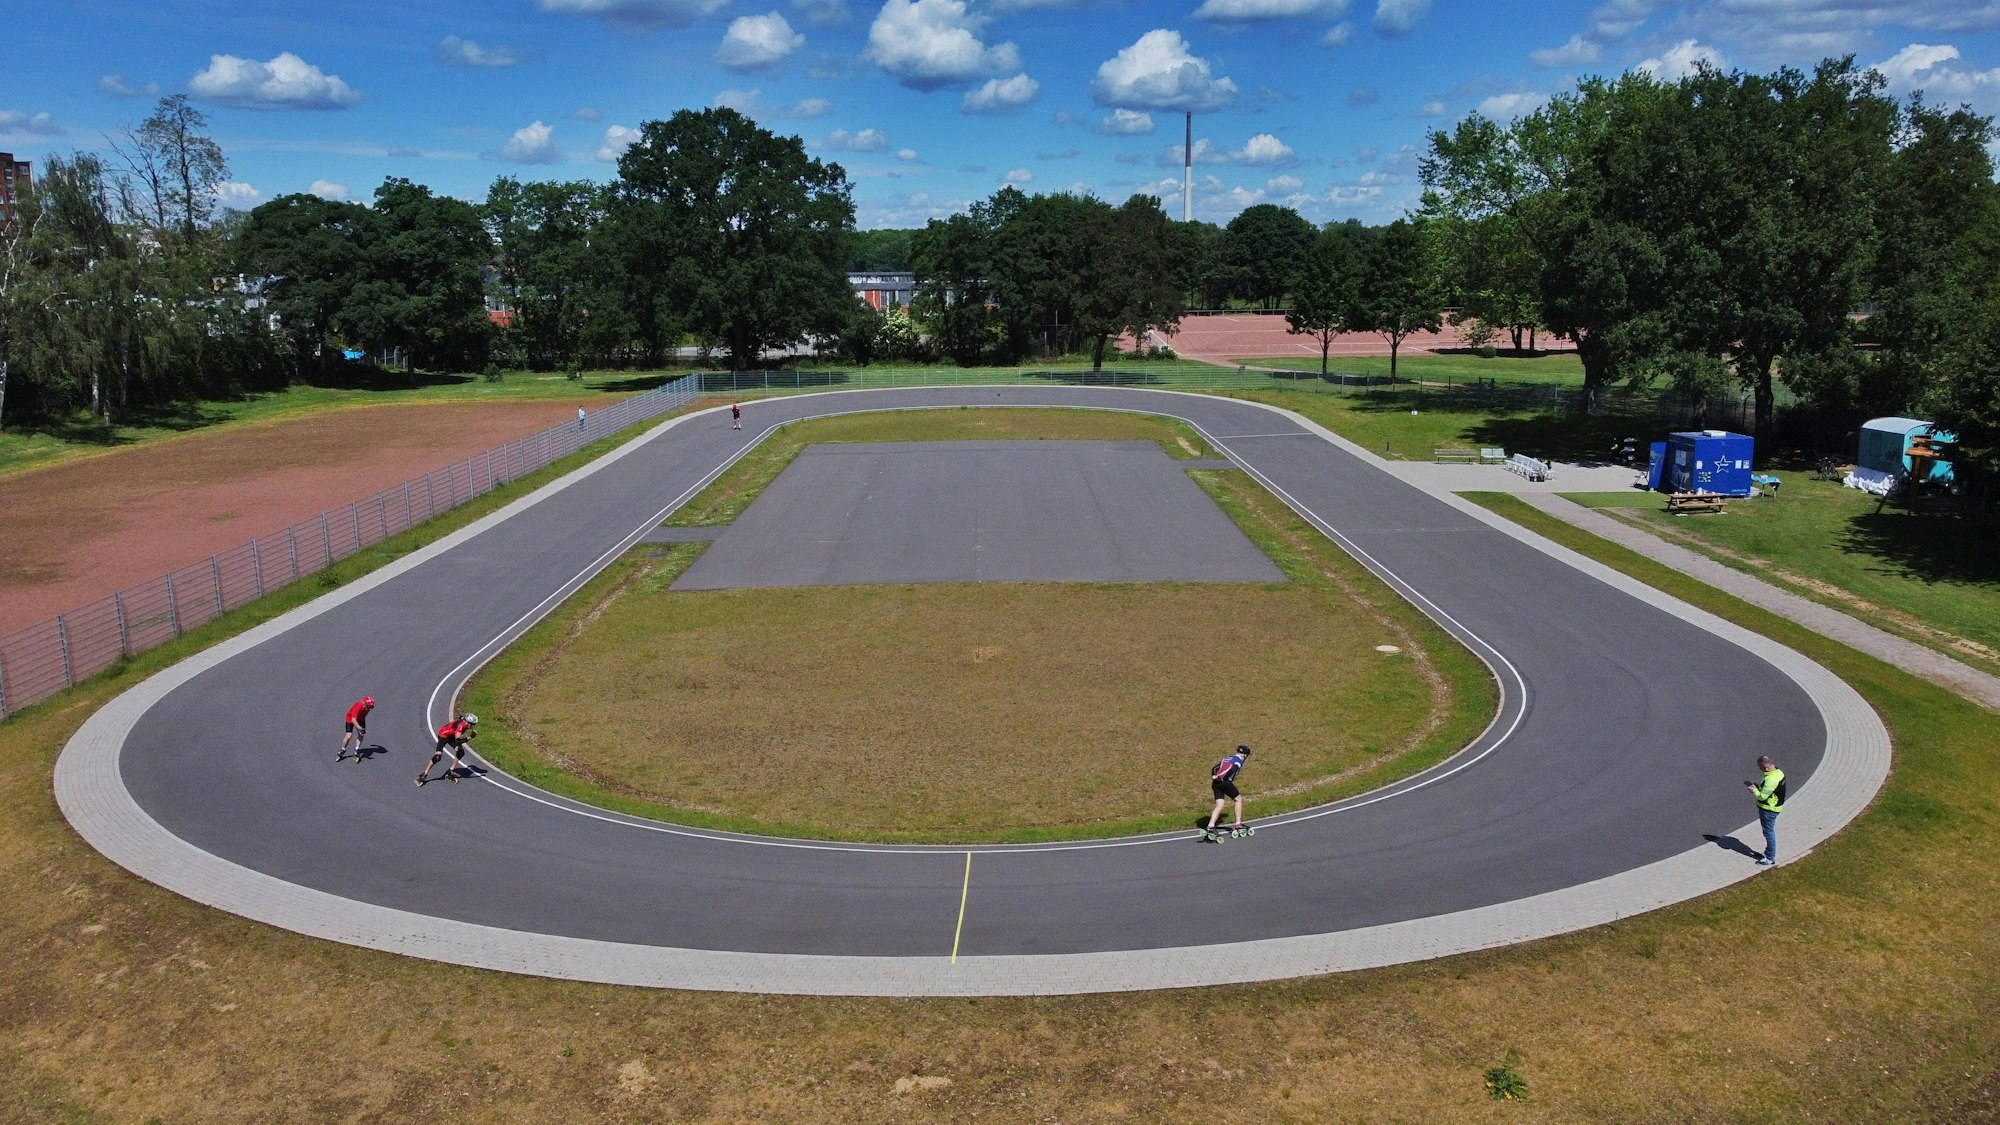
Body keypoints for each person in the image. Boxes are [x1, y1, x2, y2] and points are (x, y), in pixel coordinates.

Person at [1204, 745, 1252, 840]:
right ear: (1245, 755)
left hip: (1215, 784)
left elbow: (1215, 768)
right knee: (1238, 800)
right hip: (1225, 782)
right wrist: (1220, 777)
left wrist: (1215, 776)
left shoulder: (1228, 758)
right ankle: (1238, 824)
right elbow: (1231, 770)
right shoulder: (1238, 761)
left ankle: (1210, 826)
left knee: (1220, 805)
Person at [416, 713, 478, 785]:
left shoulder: (464, 722)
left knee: (460, 752)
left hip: (451, 736)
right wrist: (470, 737)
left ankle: (450, 771)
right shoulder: (460, 727)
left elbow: (460, 717)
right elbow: (458, 741)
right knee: (437, 757)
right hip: (443, 735)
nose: (472, 726)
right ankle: (424, 774)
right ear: (467, 722)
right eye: (471, 724)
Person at [1746, 755, 1785, 866]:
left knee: (1768, 833)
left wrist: (1754, 791)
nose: (1760, 769)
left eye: (1760, 767)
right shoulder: (1779, 773)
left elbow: (1762, 797)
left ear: (1765, 767)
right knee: (1767, 831)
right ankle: (1768, 853)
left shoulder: (1771, 780)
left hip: (1769, 809)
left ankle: (1770, 858)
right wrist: (1759, 788)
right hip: (1774, 807)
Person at [338, 695, 375, 762]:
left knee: (361, 734)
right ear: (364, 705)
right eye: (369, 707)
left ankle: (356, 750)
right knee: (348, 736)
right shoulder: (358, 706)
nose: (370, 709)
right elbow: (353, 720)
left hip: (361, 719)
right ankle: (342, 750)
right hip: (350, 719)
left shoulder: (368, 706)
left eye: (371, 707)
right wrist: (360, 728)